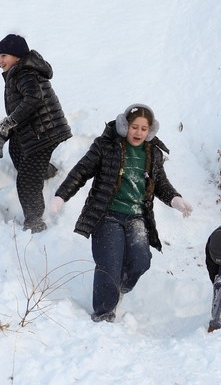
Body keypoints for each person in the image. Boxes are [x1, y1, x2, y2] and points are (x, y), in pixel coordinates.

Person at [50, 104, 192, 322]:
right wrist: (62, 195)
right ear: (125, 126)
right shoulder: (106, 146)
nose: (138, 133)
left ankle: (118, 288)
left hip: (137, 217)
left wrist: (176, 199)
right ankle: (104, 314)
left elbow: (160, 183)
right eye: (134, 127)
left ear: (150, 131)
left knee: (141, 261)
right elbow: (81, 171)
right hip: (107, 215)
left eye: (144, 129)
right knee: (109, 266)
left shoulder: (153, 153)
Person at [0, 34, 72, 233]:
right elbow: (19, 112)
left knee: (26, 180)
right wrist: (3, 135)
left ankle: (35, 222)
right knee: (16, 148)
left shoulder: (24, 73)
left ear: (17, 55)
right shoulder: (18, 73)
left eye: (3, 55)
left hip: (45, 132)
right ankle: (46, 171)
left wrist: (9, 123)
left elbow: (34, 98)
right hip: (35, 130)